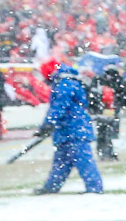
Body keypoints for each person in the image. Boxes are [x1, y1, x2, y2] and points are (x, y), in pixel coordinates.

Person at [34, 58, 103, 194]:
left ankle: (94, 188)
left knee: (83, 161)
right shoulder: (69, 81)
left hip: (73, 128)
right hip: (70, 129)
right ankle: (52, 186)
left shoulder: (64, 84)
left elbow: (59, 106)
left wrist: (48, 123)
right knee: (61, 161)